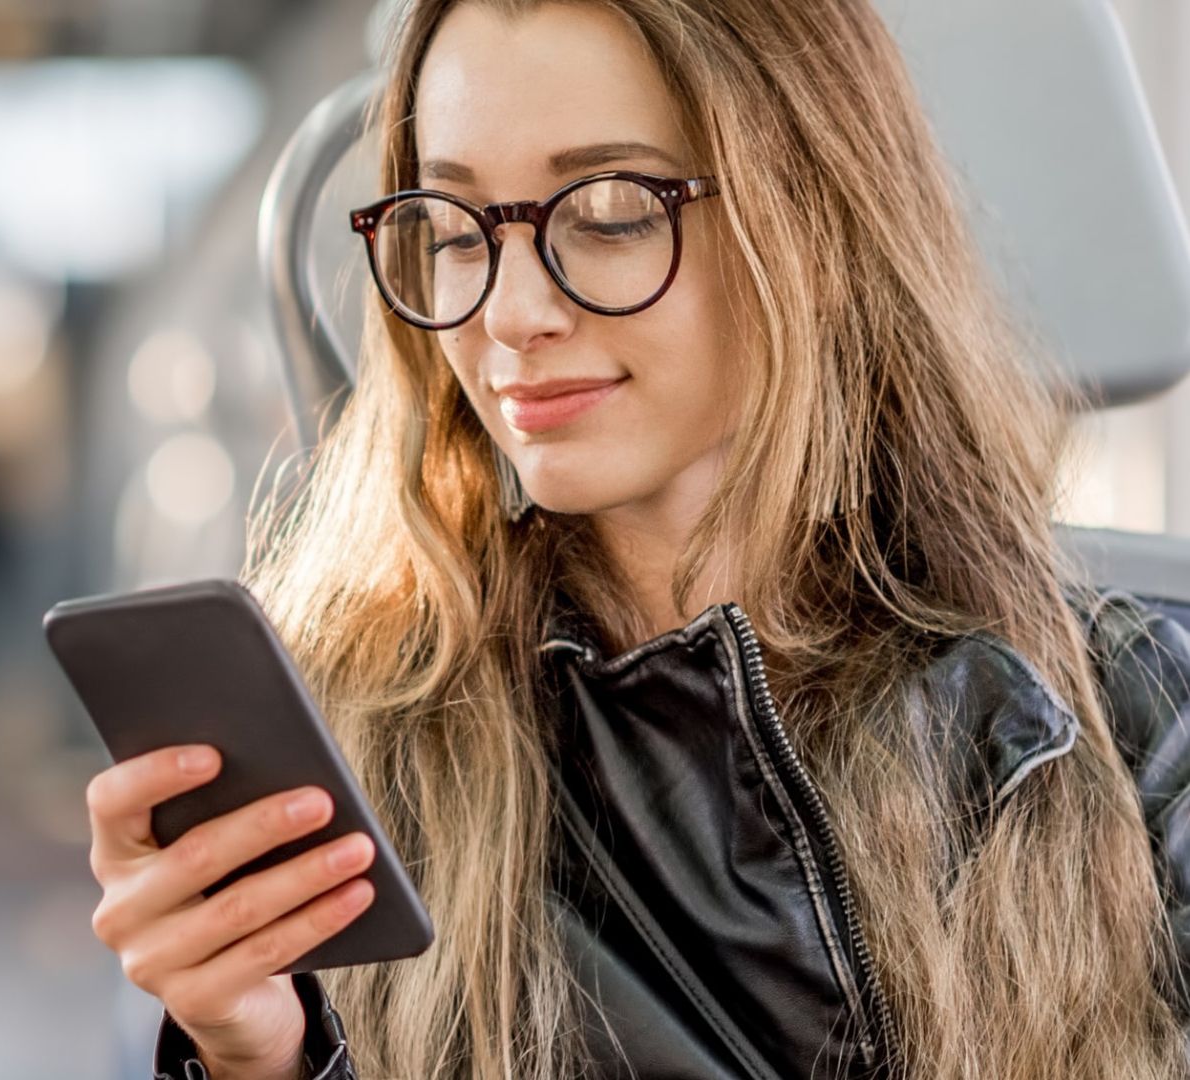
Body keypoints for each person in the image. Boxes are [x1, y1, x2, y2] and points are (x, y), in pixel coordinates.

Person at [84, 0, 1190, 1076]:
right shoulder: (351, 750)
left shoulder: (1138, 735)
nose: (510, 315)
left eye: (607, 210)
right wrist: (257, 1055)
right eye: (455, 228)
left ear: (813, 217)